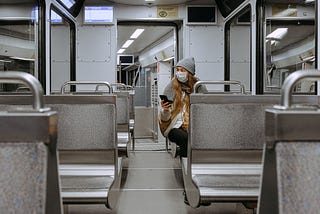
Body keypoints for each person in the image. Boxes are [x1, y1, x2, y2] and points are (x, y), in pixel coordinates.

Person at [158, 57, 207, 157]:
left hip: (194, 125)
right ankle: (186, 166)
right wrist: (165, 110)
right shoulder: (171, 87)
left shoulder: (198, 87)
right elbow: (165, 119)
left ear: (189, 73)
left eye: (182, 70)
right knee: (185, 138)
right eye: (178, 70)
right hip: (173, 126)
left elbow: (205, 109)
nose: (179, 73)